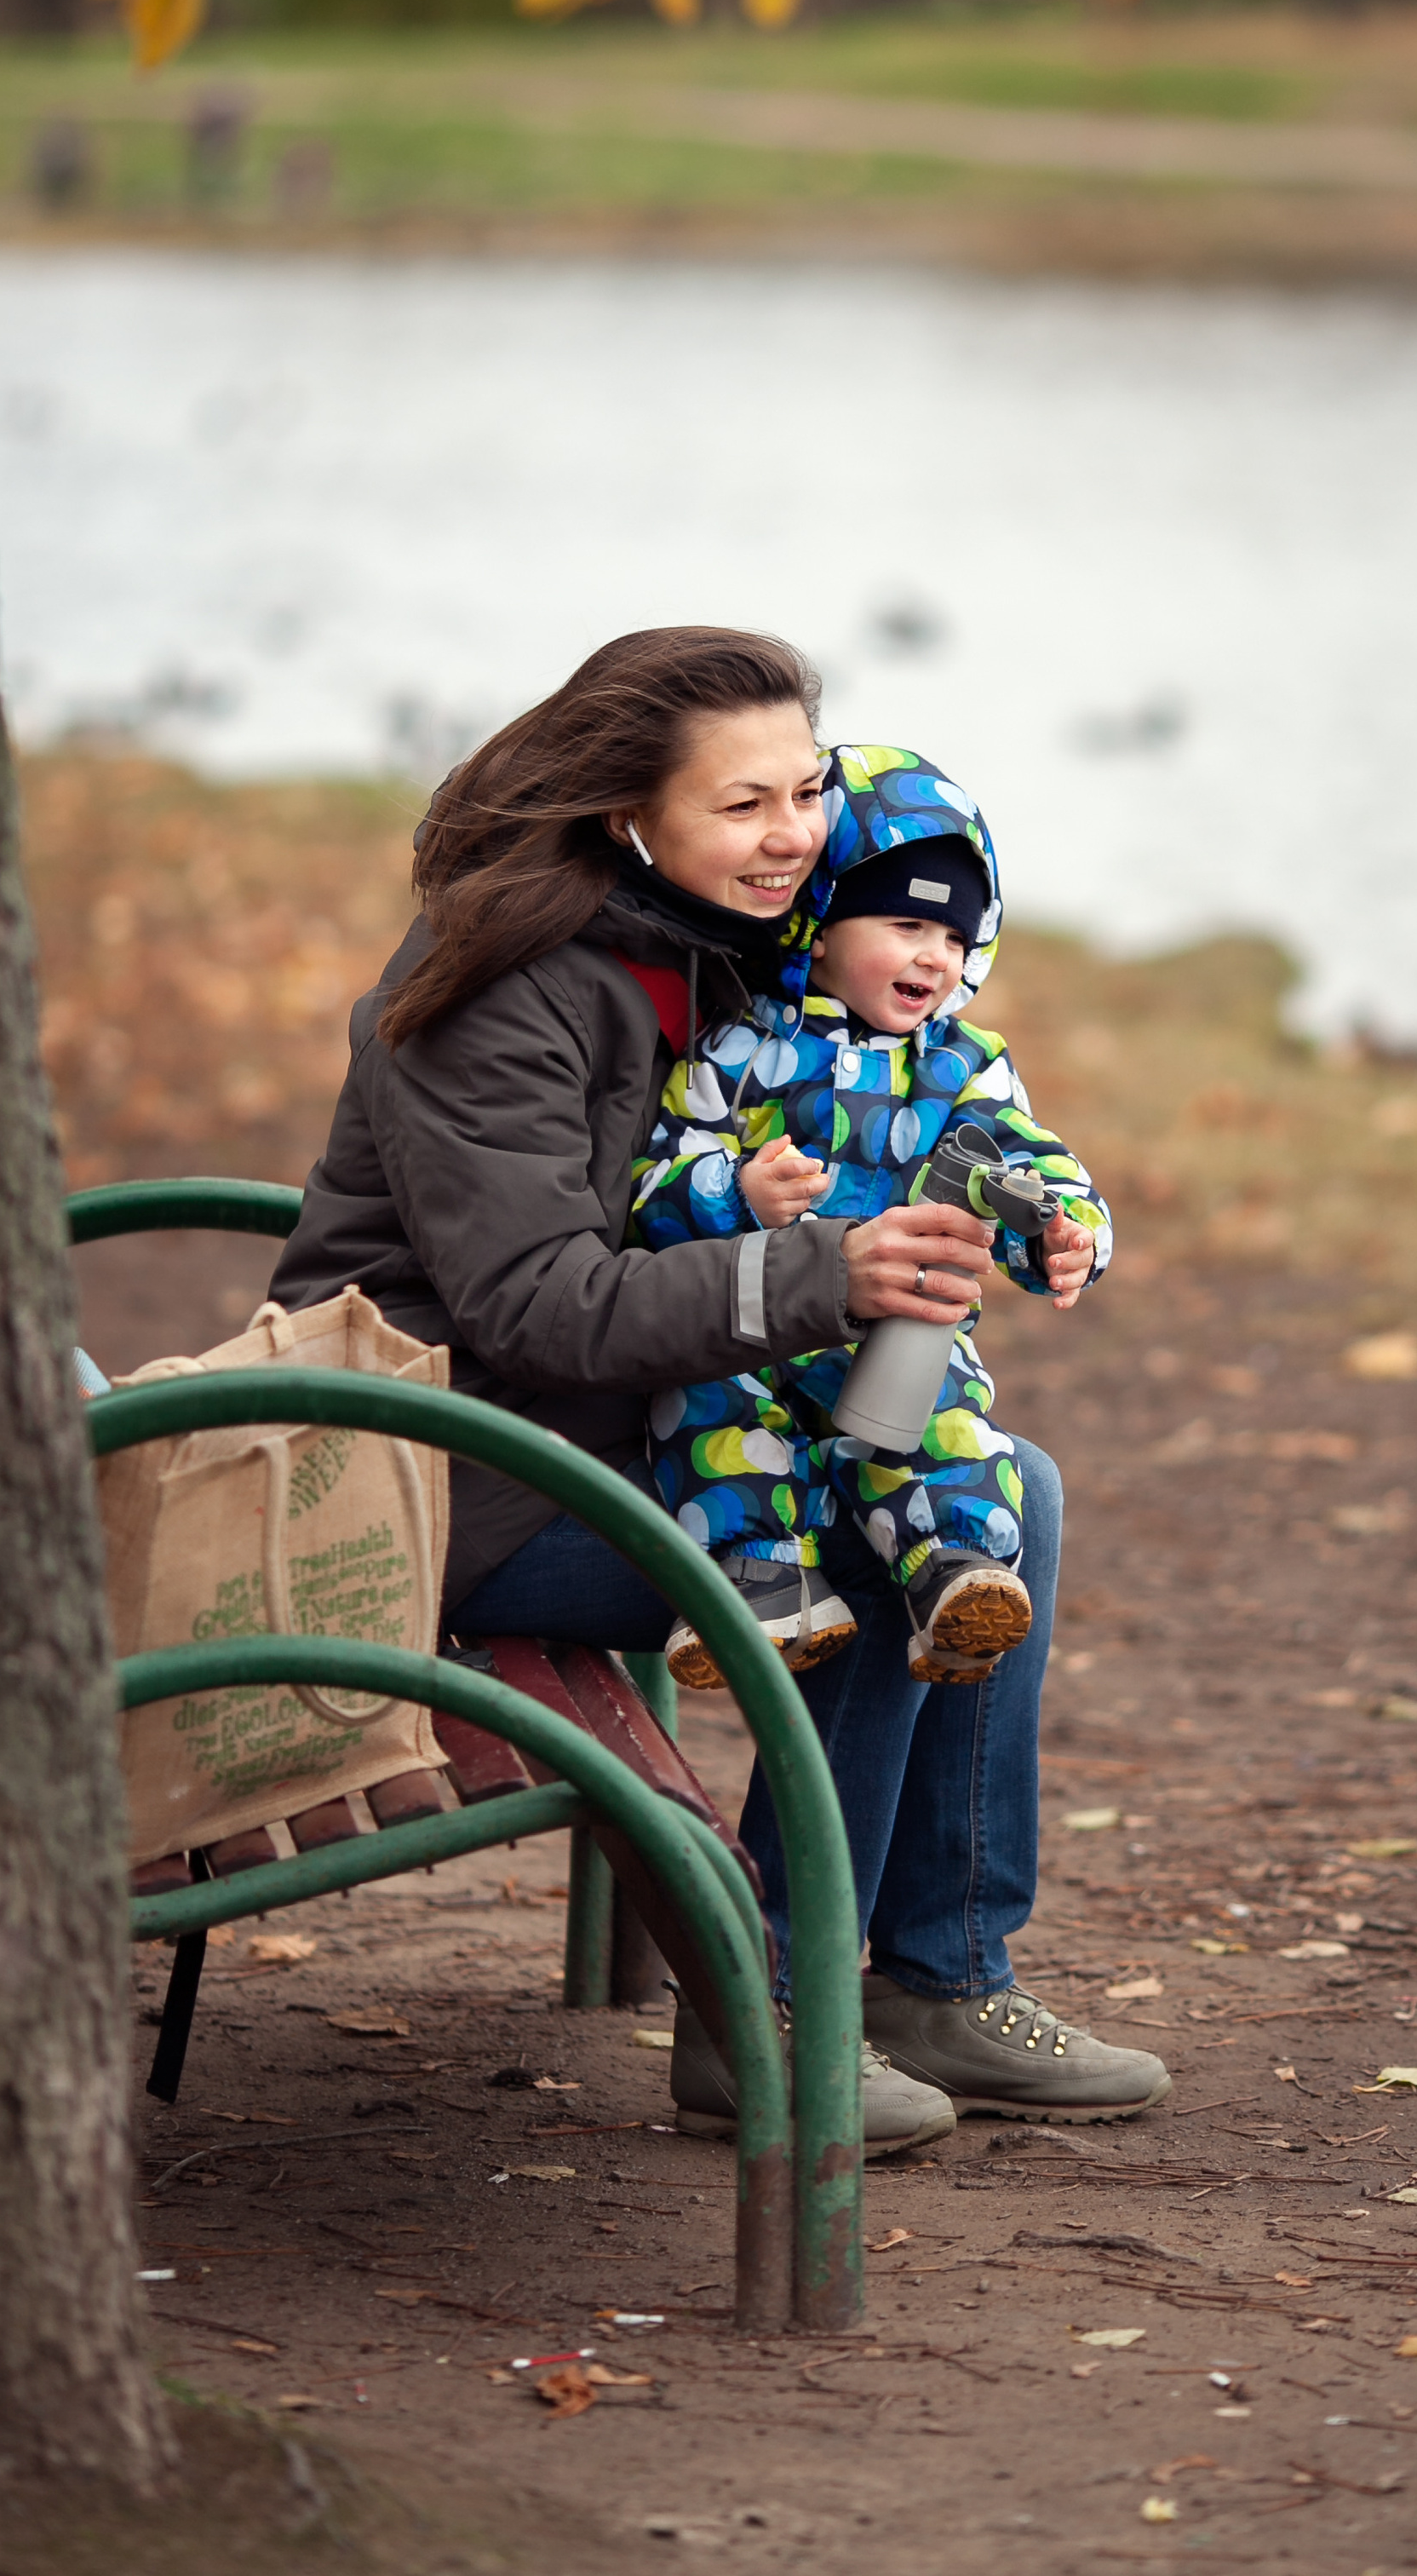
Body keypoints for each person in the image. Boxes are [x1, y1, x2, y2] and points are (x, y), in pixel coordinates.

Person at [267, 626, 1168, 2144]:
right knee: (875, 1558)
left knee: (1014, 1492)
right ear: (629, 813)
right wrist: (831, 1275)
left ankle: (942, 1977)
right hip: (450, 1466)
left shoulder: (715, 944)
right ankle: (771, 2016)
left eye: (806, 791)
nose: (793, 834)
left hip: (616, 1422)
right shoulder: (506, 990)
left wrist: (990, 1207)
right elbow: (535, 1306)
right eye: (742, 805)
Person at [632, 742, 1110, 1692]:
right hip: (749, 1321)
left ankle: (957, 1569)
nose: (935, 956)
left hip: (896, 1330)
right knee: (713, 1412)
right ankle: (762, 1580)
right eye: (905, 924)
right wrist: (735, 1191)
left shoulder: (962, 1067)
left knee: (943, 1420)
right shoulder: (735, 1048)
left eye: (956, 939)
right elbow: (652, 1184)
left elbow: (1023, 1160)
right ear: (819, 921)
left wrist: (1062, 1228)